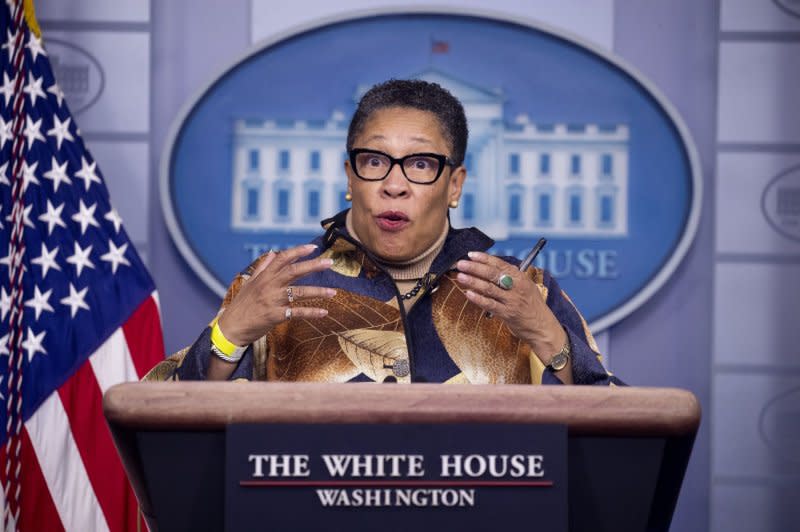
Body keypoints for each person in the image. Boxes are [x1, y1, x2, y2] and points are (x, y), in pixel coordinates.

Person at [146, 79, 622, 386]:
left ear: (454, 185)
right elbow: (167, 426)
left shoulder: (521, 291)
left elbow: (620, 430)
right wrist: (228, 338)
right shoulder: (278, 282)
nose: (394, 185)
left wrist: (549, 338)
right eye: (374, 162)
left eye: (420, 164)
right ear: (350, 177)